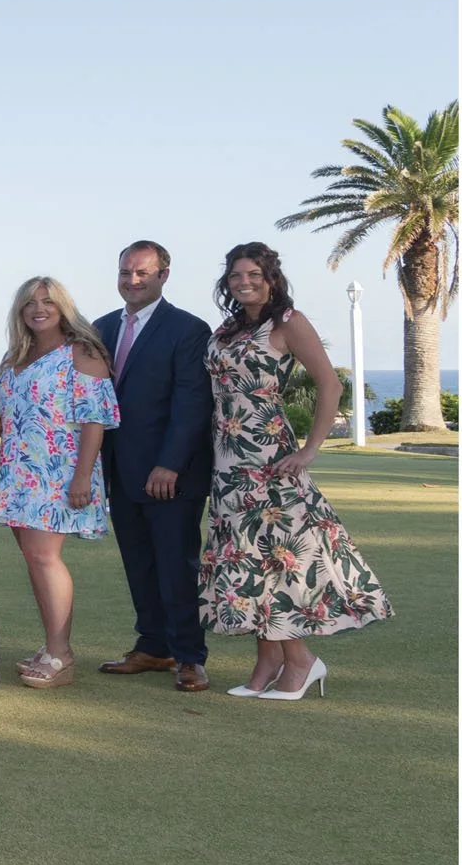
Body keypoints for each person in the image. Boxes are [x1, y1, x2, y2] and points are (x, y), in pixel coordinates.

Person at [203, 243, 389, 700]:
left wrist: (310, 449)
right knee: (247, 558)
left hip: (269, 457)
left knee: (277, 557)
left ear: (271, 278)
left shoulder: (289, 322)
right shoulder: (228, 327)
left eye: (254, 274)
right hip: (227, 458)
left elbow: (331, 383)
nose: (244, 282)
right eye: (235, 275)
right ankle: (267, 662)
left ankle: (301, 661)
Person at [92, 241, 215, 691]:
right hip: (120, 471)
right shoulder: (101, 328)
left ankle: (189, 657)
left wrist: (170, 464)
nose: (132, 280)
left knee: (176, 566)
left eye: (142, 272)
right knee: (139, 564)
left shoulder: (189, 329)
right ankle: (153, 647)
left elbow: (192, 402)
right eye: (125, 272)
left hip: (170, 476)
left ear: (164, 275)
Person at [0, 277, 120, 691]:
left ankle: (60, 654)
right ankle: (51, 645)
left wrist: (82, 476)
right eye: (30, 303)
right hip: (19, 473)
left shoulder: (81, 353)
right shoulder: (17, 355)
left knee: (45, 557)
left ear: (63, 306)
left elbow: (95, 419)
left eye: (48, 301)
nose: (39, 309)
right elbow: (3, 415)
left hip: (58, 472)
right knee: (34, 559)